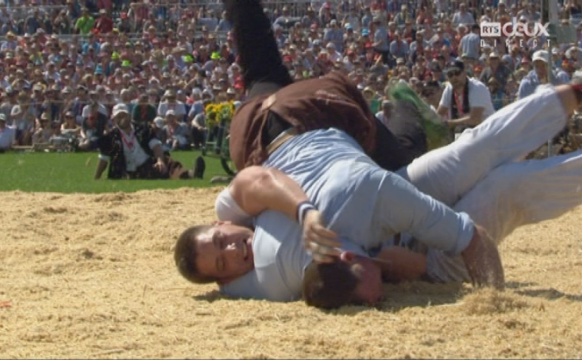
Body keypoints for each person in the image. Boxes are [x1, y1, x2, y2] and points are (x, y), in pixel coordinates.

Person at [174, 83, 582, 306]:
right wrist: (391, 267)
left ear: (219, 225)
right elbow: (406, 264)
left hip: (387, 200)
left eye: (221, 241)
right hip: (420, 253)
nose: (234, 251)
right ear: (223, 280)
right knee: (504, 188)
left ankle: (573, 93)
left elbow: (256, 180)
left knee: (471, 151)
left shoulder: (237, 211)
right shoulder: (252, 285)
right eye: (223, 262)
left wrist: (305, 212)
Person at [223, 0, 430, 173]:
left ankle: (405, 107)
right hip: (270, 121)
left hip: (260, 125)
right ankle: (405, 105)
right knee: (404, 162)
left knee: (256, 52)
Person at [94, 106, 205, 180]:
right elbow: (103, 159)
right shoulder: (110, 137)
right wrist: (96, 178)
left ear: (129, 116)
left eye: (124, 115)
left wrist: (159, 160)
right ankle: (185, 175)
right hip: (127, 170)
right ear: (113, 119)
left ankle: (192, 174)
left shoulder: (143, 129)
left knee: (167, 163)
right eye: (119, 116)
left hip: (148, 161)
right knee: (155, 172)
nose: (122, 119)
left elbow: (156, 145)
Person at [437, 59, 495, 140]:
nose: (454, 77)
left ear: (464, 73)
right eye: (450, 75)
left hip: (487, 132)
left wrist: (450, 123)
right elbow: (440, 113)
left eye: (457, 73)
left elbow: (475, 119)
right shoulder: (449, 89)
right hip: (466, 132)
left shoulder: (477, 88)